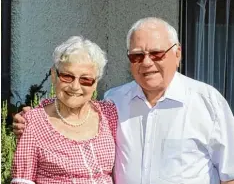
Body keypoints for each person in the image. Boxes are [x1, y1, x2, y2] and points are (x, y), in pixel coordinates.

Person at [13, 17, 234, 184]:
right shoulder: (114, 102)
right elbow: (72, 103)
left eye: (156, 54)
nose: (146, 63)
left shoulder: (207, 103)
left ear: (177, 54)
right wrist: (34, 117)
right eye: (137, 55)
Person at [11, 36, 118, 184]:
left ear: (95, 83)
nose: (75, 87)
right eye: (67, 76)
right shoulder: (34, 122)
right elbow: (22, 180)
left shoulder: (108, 114)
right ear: (54, 76)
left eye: (85, 79)